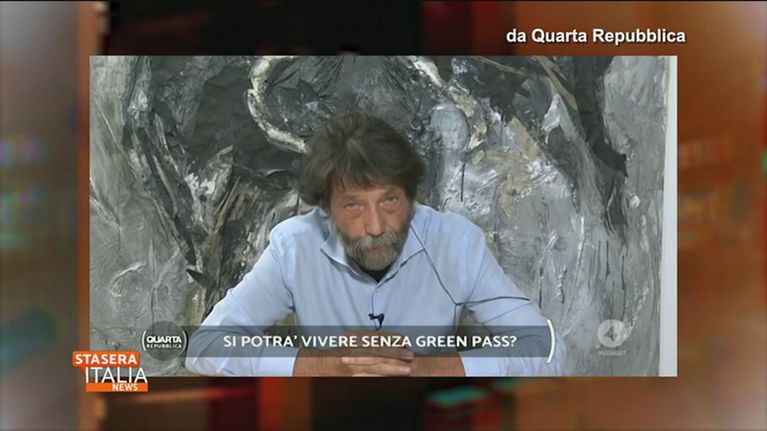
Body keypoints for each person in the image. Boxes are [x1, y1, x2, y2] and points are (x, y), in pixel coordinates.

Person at [185, 113, 566, 376]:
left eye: (390, 200)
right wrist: (326, 366)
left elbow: (548, 350)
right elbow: (205, 346)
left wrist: (423, 368)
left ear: (411, 197)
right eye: (353, 205)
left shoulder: (457, 243)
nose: (376, 226)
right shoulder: (294, 247)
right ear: (327, 209)